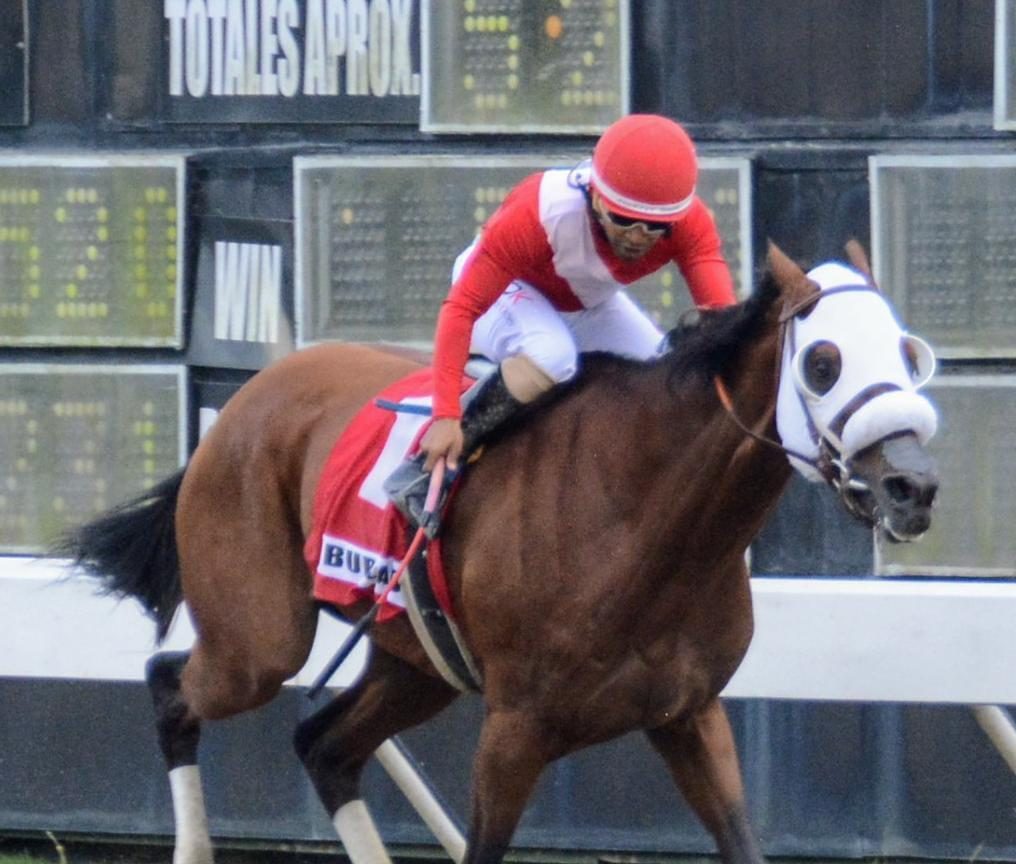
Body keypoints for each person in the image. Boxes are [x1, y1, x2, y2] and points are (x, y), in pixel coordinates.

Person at [385, 113, 737, 535]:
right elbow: (461, 308)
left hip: (582, 301)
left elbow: (723, 324)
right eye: (623, 219)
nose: (638, 236)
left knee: (663, 372)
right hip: (506, 292)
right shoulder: (538, 211)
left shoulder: (691, 224)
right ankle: (424, 472)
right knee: (553, 355)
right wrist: (445, 415)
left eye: (656, 227)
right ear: (596, 195)